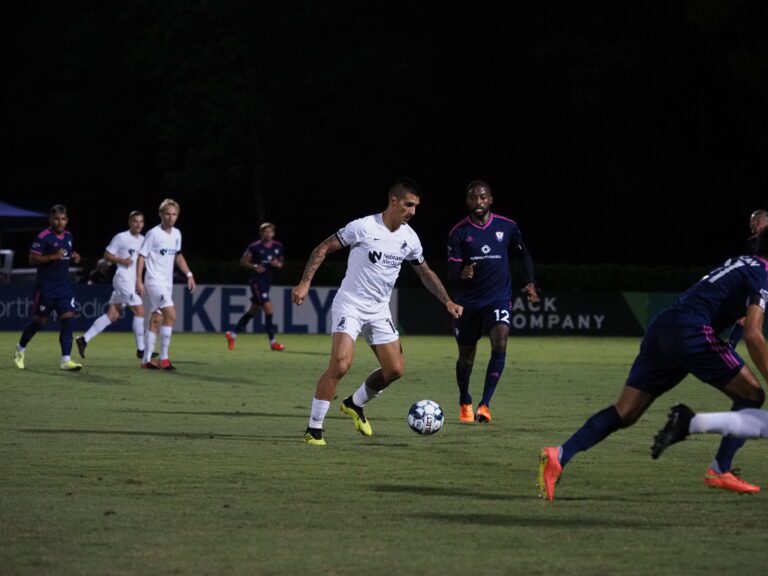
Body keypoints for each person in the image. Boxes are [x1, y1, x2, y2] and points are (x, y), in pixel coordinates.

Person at [538, 230, 768, 501]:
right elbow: (753, 334)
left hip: (663, 328)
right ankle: (721, 468)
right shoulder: (762, 274)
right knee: (752, 395)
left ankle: (560, 455)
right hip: (692, 331)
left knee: (625, 412)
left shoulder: (741, 262)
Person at [292, 178, 463, 446]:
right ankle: (314, 429)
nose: (413, 211)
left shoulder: (409, 238)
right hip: (350, 304)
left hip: (379, 310)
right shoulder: (363, 227)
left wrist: (447, 301)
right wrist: (304, 283)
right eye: (408, 205)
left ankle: (354, 403)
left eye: (416, 206)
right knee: (341, 364)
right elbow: (322, 248)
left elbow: (425, 273)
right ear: (393, 201)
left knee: (394, 369)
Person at [447, 180, 538, 424]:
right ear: (468, 201)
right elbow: (451, 272)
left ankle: (485, 405)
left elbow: (523, 254)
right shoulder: (459, 233)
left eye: (483, 197)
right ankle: (465, 399)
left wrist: (530, 283)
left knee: (500, 341)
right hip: (467, 304)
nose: (478, 202)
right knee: (466, 357)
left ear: (491, 200)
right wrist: (461, 273)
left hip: (497, 299)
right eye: (474, 197)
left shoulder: (507, 227)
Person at [76, 211, 157, 360]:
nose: (138, 224)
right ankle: (141, 349)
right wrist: (121, 260)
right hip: (123, 279)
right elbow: (107, 255)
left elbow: (146, 260)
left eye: (141, 222)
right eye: (135, 221)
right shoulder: (121, 237)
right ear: (129, 222)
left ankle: (84, 339)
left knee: (112, 316)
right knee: (139, 311)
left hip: (132, 281)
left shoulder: (145, 240)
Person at [14, 204, 83, 371]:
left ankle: (65, 360)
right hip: (46, 287)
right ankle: (20, 349)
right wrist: (52, 256)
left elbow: (65, 256)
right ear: (51, 219)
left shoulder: (69, 236)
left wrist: (75, 258)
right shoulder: (43, 237)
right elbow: (32, 259)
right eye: (57, 219)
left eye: (63, 219)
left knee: (68, 321)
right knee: (39, 322)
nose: (60, 222)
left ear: (67, 220)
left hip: (64, 288)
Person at [135, 199, 196, 370]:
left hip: (166, 282)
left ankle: (146, 361)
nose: (171, 217)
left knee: (156, 319)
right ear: (161, 214)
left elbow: (178, 256)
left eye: (174, 214)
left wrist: (189, 274)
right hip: (154, 281)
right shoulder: (153, 233)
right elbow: (142, 256)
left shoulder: (177, 234)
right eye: (167, 214)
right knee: (172, 315)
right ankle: (164, 358)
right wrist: (139, 280)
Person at [225, 222, 286, 351]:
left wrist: (278, 264)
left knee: (252, 311)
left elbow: (281, 263)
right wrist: (254, 266)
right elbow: (243, 261)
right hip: (257, 282)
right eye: (265, 232)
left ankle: (232, 334)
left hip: (267, 282)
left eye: (270, 232)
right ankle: (273, 342)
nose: (268, 234)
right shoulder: (254, 247)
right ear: (261, 233)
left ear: (273, 233)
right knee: (269, 310)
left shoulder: (278, 246)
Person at [728, 209, 768, 348]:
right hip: (758, 284)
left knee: (748, 320)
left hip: (762, 283)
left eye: (751, 220)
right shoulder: (752, 242)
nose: (749, 224)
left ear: (757, 222)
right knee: (746, 318)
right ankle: (730, 347)